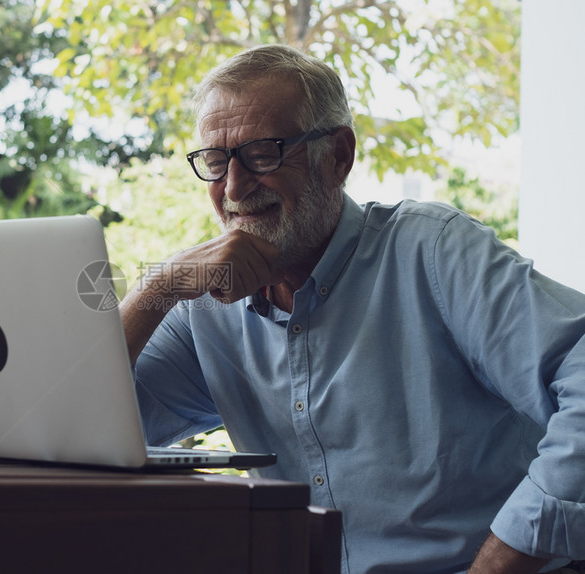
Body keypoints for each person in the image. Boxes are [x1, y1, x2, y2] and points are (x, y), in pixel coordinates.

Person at [119, 44, 585, 573]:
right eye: (215, 160)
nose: (233, 187)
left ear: (339, 156)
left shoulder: (432, 253)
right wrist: (156, 287)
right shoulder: (203, 304)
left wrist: (502, 563)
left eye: (264, 153)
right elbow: (80, 429)